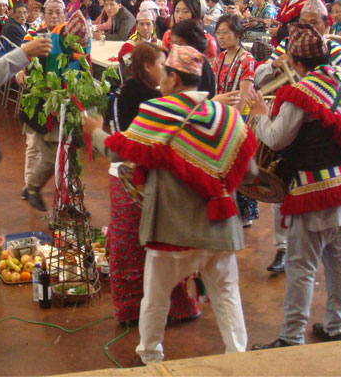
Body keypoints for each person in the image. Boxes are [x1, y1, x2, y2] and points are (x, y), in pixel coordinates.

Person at [83, 44, 258, 365]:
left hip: (170, 231)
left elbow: (119, 151)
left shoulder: (158, 113)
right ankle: (239, 357)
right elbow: (249, 172)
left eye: (166, 72)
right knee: (226, 295)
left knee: (155, 298)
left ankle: (150, 356)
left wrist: (96, 133)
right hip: (219, 229)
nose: (161, 78)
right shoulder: (228, 118)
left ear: (175, 79)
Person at [249, 23, 341, 350]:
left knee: (301, 268)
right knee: (338, 262)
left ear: (298, 63)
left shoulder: (302, 93)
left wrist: (260, 113)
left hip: (314, 194)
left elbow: (275, 139)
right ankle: (334, 325)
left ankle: (291, 336)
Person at [103, 42, 201, 326]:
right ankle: (170, 310)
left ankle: (137, 312)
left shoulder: (144, 95)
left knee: (135, 249)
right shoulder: (149, 99)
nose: (165, 72)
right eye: (161, 64)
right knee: (155, 249)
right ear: (147, 66)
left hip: (130, 174)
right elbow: (128, 145)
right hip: (134, 177)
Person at [20, 3, 91, 211]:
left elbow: (83, 71)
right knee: (52, 157)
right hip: (44, 109)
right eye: (76, 43)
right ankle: (32, 188)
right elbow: (26, 68)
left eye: (83, 44)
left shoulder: (81, 46)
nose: (79, 48)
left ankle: (66, 200)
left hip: (68, 108)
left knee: (70, 157)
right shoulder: (44, 43)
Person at [213, 15, 259, 226]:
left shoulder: (246, 59)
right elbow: (216, 87)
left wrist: (236, 120)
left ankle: (246, 214)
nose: (221, 37)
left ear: (237, 34)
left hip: (238, 117)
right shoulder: (220, 58)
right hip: (222, 113)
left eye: (226, 32)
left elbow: (244, 94)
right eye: (219, 32)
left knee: (239, 164)